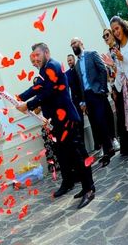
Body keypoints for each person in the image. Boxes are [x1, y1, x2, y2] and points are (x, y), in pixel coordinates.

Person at [16, 43, 95, 209]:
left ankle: (89, 189)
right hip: (56, 122)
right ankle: (74, 184)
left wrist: (28, 105)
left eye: (37, 55)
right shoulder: (44, 70)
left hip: (67, 120)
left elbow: (47, 92)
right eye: (33, 57)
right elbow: (37, 87)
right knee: (67, 156)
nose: (35, 59)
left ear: (46, 52)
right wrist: (19, 97)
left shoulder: (53, 65)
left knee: (79, 155)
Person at [70, 37, 116, 166]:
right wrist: (83, 102)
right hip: (87, 97)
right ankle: (107, 149)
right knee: (95, 124)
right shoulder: (77, 65)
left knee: (101, 120)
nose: (73, 45)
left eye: (75, 43)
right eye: (71, 44)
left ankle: (109, 149)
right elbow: (80, 85)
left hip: (97, 92)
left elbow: (102, 69)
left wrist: (102, 88)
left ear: (81, 43)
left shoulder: (92, 54)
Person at [110, 16, 128, 153]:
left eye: (117, 28)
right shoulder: (118, 48)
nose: (115, 32)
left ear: (122, 26)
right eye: (113, 30)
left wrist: (124, 59)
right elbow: (121, 72)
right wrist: (114, 64)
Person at [65, 54, 85, 136]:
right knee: (79, 124)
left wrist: (84, 100)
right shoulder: (66, 74)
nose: (69, 62)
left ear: (74, 60)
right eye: (68, 61)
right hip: (75, 101)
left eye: (70, 60)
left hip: (84, 97)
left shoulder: (79, 69)